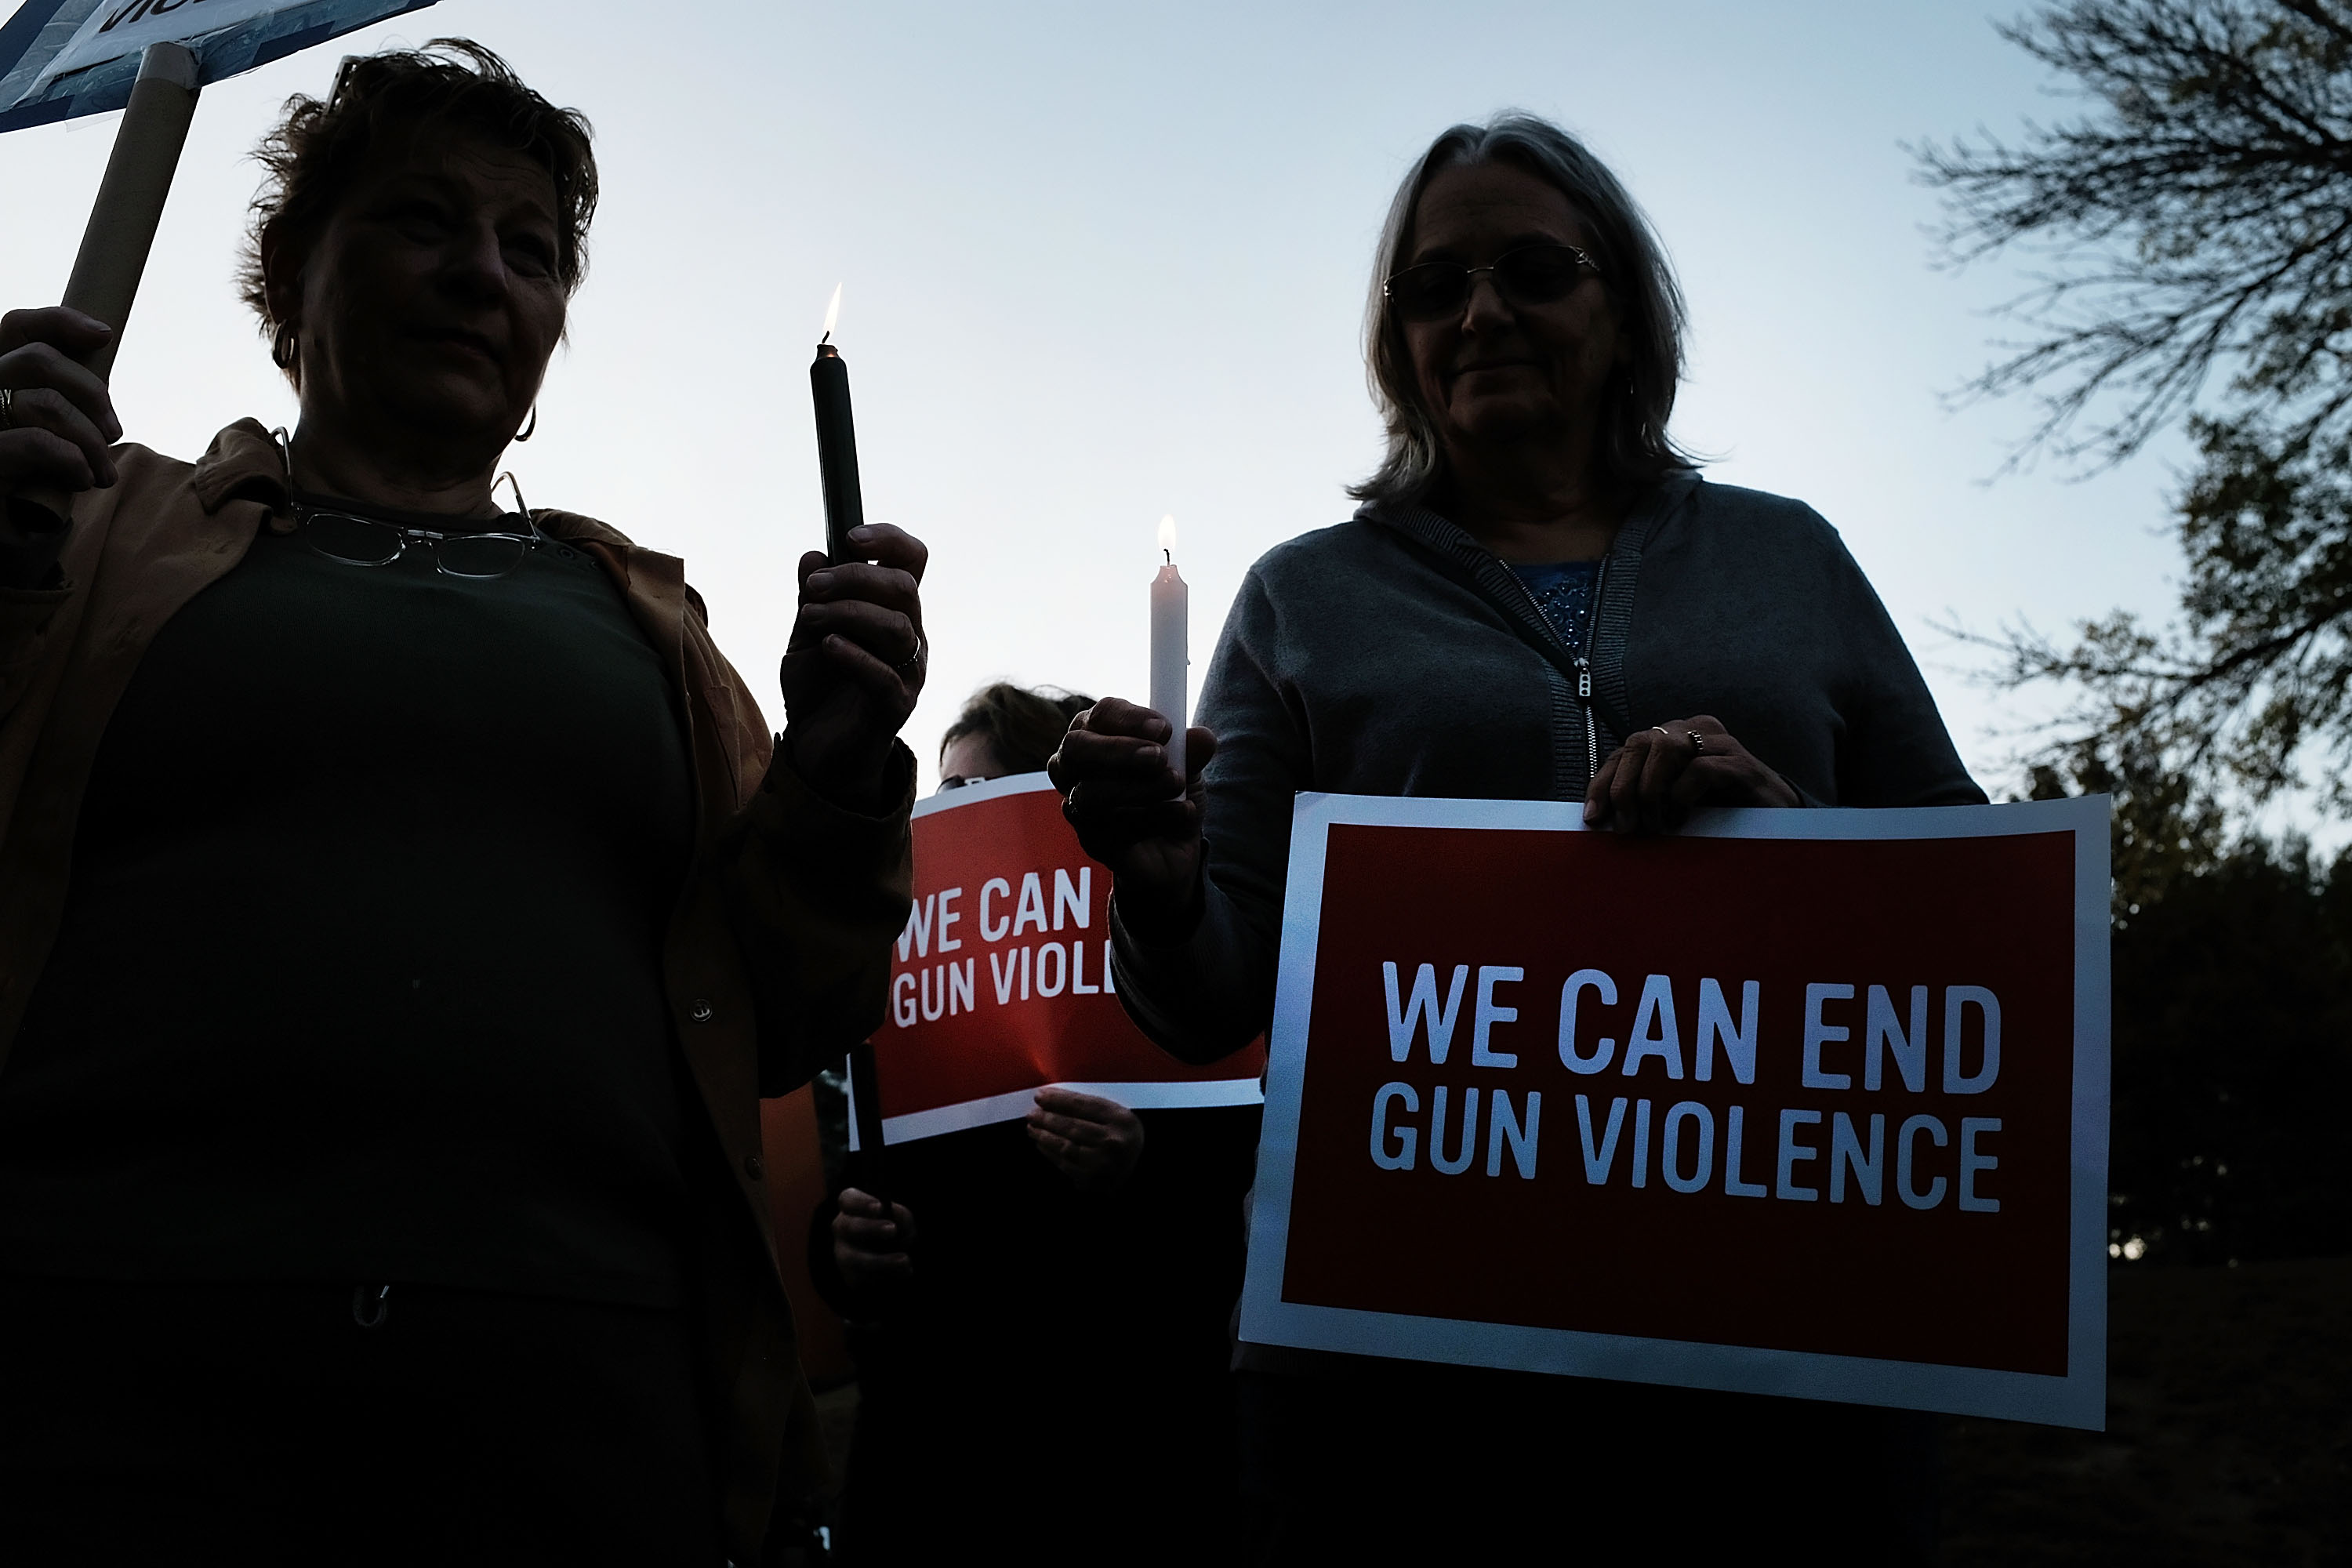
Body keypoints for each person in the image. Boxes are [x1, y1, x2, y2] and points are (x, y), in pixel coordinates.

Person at [0, 42, 924, 1564]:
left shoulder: (650, 628)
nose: (480, 273)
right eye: (421, 221)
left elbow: (798, 1002)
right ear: (293, 274)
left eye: (530, 249)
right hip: (116, 1377)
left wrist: (839, 763)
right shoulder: (98, 531)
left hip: (572, 1406)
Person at [1047, 113, 1982, 1563]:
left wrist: (1791, 842)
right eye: (1435, 287)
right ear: (1399, 339)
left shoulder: (1788, 557)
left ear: (1623, 308)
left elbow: (1976, 901)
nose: (1482, 311)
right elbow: (1211, 993)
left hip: (1776, 1351)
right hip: (1404, 1375)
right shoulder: (1303, 597)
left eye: (1533, 271)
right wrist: (1161, 885)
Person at [818, 684, 1261, 1565]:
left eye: (977, 792)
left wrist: (1139, 1167)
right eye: (943, 791)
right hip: (933, 1447)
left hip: (1114, 1450)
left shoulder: (1174, 958)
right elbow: (857, 1170)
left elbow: (1233, 1223)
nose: (951, 814)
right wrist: (844, 1244)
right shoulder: (900, 967)